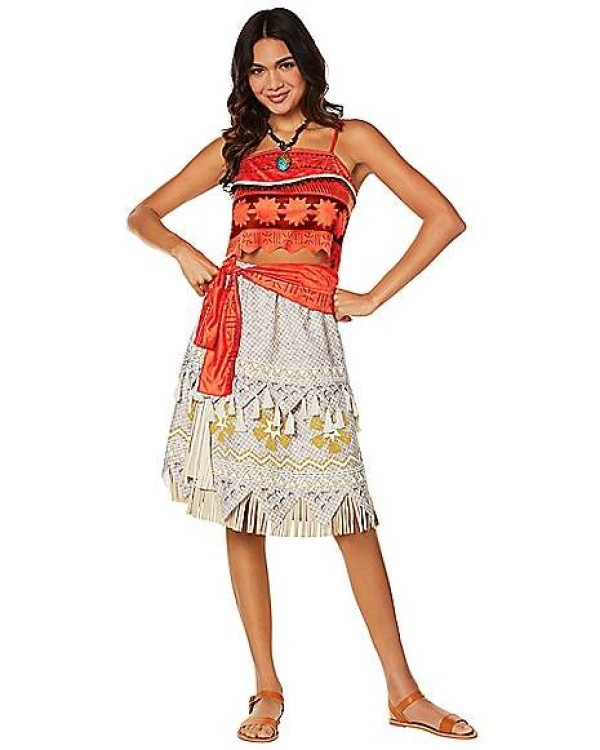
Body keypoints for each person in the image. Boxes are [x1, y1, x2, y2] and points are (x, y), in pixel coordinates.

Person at [127, 7, 476, 744]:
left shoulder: (352, 140)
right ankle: (266, 687)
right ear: (244, 80)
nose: (272, 81)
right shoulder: (234, 148)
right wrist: (184, 252)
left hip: (309, 337)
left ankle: (404, 693)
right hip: (233, 334)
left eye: (283, 64)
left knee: (349, 510)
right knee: (242, 509)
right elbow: (144, 214)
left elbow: (443, 218)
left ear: (308, 66)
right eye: (256, 70)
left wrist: (372, 297)